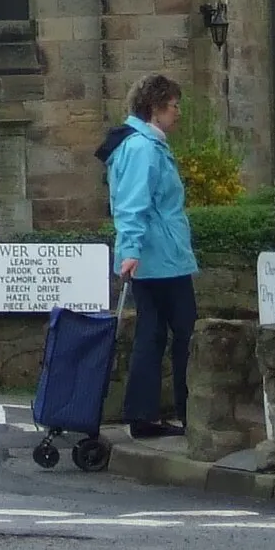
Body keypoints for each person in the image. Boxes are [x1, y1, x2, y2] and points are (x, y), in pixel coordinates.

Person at [106, 72, 198, 441]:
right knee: (186, 335)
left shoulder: (139, 144)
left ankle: (143, 416)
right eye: (174, 107)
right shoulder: (143, 148)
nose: (178, 114)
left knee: (152, 333)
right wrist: (129, 250)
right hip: (160, 259)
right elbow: (132, 204)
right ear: (155, 109)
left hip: (155, 257)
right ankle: (191, 412)